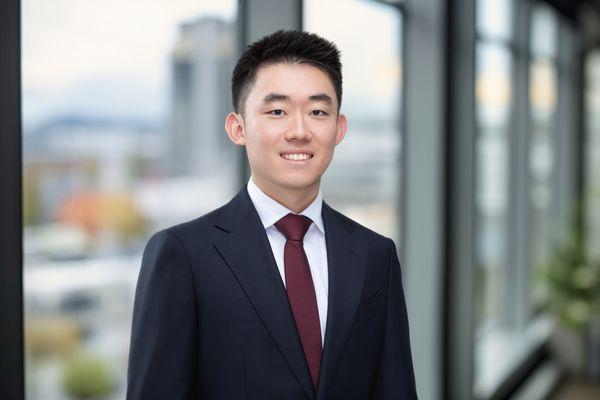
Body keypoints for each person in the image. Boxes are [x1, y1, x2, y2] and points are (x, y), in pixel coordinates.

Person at [126, 30, 417, 400]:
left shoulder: (376, 255)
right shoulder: (183, 255)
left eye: (317, 112)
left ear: (338, 128)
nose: (299, 131)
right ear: (238, 128)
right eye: (277, 111)